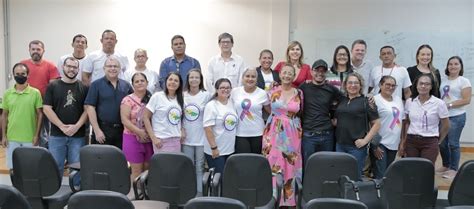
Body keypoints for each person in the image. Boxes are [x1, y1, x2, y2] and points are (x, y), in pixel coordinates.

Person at [262, 64, 303, 207]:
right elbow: (266, 107)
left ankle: (289, 200)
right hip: (274, 130)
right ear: (280, 75)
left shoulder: (299, 93)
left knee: (291, 162)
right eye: (284, 73)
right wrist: (277, 117)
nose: (287, 75)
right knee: (273, 162)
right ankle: (272, 197)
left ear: (293, 76)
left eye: (290, 73)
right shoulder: (272, 90)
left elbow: (300, 111)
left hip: (292, 133)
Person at [43, 57, 88, 184]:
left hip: (77, 136)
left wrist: (77, 126)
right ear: (63, 67)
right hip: (57, 135)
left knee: (77, 167)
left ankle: (77, 196)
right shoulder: (53, 86)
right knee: (55, 166)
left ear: (78, 69)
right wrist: (61, 126)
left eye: (74, 67)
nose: (71, 69)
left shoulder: (83, 87)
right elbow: (47, 108)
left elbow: (87, 110)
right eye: (69, 66)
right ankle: (54, 194)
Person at [334, 73, 380, 180]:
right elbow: (337, 119)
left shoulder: (366, 101)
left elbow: (377, 123)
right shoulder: (342, 100)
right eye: (350, 82)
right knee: (340, 176)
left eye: (356, 83)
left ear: (360, 85)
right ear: (345, 85)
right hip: (340, 145)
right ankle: (342, 197)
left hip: (356, 147)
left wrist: (365, 141)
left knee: (354, 177)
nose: (353, 85)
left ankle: (355, 197)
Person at [299, 59, 343, 164]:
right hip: (309, 135)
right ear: (311, 72)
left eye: (323, 71)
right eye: (317, 70)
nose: (320, 73)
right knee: (308, 165)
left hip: (327, 134)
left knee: (326, 166)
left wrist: (336, 117)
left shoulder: (331, 89)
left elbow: (345, 102)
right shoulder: (304, 87)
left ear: (326, 73)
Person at [85, 56, 133, 149]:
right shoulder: (96, 85)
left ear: (119, 69)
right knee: (102, 162)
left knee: (119, 161)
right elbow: (90, 108)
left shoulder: (126, 85)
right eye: (109, 66)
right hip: (102, 131)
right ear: (104, 68)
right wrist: (97, 130)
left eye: (115, 66)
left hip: (122, 131)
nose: (112, 68)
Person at [400, 74, 450, 164]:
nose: (423, 86)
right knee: (411, 169)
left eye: (427, 84)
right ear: (416, 85)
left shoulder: (439, 103)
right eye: (421, 83)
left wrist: (438, 141)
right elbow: (406, 122)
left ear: (431, 87)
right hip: (411, 141)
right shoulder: (409, 102)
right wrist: (404, 141)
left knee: (426, 170)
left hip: (430, 142)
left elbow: (446, 125)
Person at [1, 63, 43, 169]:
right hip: (12, 139)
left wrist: (36, 135)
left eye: (23, 73)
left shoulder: (35, 93)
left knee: (31, 168)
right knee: (12, 168)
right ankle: (15, 186)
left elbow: (40, 114)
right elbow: (4, 115)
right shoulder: (7, 93)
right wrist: (4, 136)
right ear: (13, 75)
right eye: (17, 74)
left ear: (28, 75)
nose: (20, 76)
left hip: (30, 139)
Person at [21, 40, 60, 148]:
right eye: (33, 49)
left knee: (44, 134)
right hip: (26, 105)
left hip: (43, 106)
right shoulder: (23, 64)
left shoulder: (50, 66)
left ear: (43, 50)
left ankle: (45, 157)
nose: (35, 51)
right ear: (29, 50)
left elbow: (53, 88)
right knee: (27, 132)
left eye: (38, 49)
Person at [437, 56, 471, 179]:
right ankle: (446, 165)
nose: (453, 66)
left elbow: (467, 100)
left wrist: (449, 105)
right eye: (450, 64)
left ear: (460, 66)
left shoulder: (464, 81)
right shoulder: (443, 80)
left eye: (456, 64)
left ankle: (453, 169)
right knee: (442, 143)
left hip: (456, 116)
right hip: (443, 117)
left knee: (453, 143)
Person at [120, 72, 153, 183]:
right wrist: (139, 132)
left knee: (148, 168)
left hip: (149, 139)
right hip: (132, 138)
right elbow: (124, 120)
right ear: (133, 84)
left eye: (142, 80)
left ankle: (146, 194)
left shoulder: (153, 99)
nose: (140, 83)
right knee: (136, 170)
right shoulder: (127, 100)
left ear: (147, 82)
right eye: (136, 81)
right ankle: (136, 196)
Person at [182, 69, 211, 195]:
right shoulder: (182, 95)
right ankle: (188, 192)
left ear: (201, 80)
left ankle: (199, 194)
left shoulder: (206, 95)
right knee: (187, 167)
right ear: (188, 79)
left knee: (199, 167)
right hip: (186, 137)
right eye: (191, 77)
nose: (194, 80)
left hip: (201, 137)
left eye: (197, 77)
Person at [371, 76, 404, 179]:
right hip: (381, 143)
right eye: (387, 85)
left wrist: (402, 141)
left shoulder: (398, 100)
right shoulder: (374, 100)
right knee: (380, 176)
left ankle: (386, 195)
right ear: (381, 85)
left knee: (388, 175)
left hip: (394, 143)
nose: (391, 87)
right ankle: (378, 195)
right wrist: (374, 145)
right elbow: (370, 123)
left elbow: (402, 121)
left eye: (393, 85)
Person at [203, 78, 238, 174]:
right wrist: (214, 148)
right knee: (218, 179)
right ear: (217, 89)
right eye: (222, 87)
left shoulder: (232, 103)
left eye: (228, 87)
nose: (225, 90)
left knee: (227, 178)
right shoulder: (211, 105)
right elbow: (208, 128)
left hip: (230, 150)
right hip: (216, 151)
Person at [231, 68, 270, 154]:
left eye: (253, 76)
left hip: (258, 133)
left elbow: (270, 111)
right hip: (240, 133)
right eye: (247, 76)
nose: (250, 79)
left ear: (257, 79)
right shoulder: (235, 92)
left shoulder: (262, 93)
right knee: (243, 161)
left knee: (256, 161)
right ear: (242, 78)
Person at [144, 72, 184, 153]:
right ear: (166, 81)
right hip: (161, 141)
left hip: (176, 140)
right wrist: (153, 138)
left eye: (176, 81)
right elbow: (145, 117)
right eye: (170, 79)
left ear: (179, 84)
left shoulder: (181, 99)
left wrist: (182, 130)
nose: (173, 82)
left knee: (174, 165)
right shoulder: (157, 96)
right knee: (162, 165)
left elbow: (180, 118)